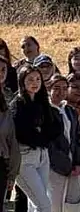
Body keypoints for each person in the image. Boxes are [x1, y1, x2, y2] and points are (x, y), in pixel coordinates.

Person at [13, 64, 61, 212]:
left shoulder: (42, 102)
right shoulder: (17, 104)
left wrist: (41, 134)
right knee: (44, 204)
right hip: (24, 157)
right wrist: (39, 134)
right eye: (30, 80)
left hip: (42, 155)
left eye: (37, 79)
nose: (35, 83)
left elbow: (54, 127)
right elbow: (22, 133)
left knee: (35, 203)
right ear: (22, 81)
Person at [46, 73, 80, 212]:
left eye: (64, 88)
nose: (61, 92)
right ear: (49, 89)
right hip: (54, 167)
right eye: (56, 88)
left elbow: (78, 138)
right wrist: (64, 164)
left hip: (72, 166)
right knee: (54, 205)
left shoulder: (70, 111)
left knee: (74, 204)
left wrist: (78, 163)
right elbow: (49, 143)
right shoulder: (46, 111)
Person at [0, 61, 19, 212]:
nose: (0, 73)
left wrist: (12, 173)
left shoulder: (9, 97)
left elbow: (11, 137)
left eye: (3, 69)